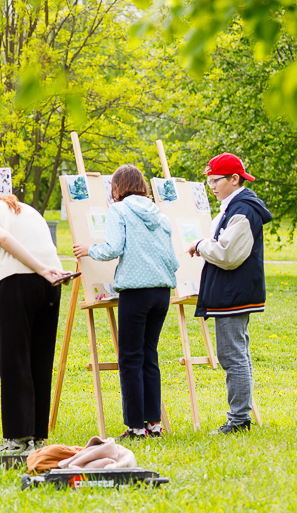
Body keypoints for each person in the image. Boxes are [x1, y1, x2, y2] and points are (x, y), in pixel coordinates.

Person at [74, 165, 179, 440]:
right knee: (149, 356)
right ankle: (153, 424)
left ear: (117, 187)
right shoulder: (160, 214)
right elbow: (174, 259)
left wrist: (89, 250)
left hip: (136, 292)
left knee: (130, 358)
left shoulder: (118, 210)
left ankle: (135, 427)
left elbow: (113, 248)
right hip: (162, 291)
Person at [0, 189, 68, 456]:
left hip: (21, 284)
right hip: (50, 284)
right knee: (40, 359)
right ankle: (36, 435)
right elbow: (17, 254)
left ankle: (17, 438)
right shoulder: (24, 209)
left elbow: (4, 238)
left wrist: (40, 269)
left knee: (14, 359)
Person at [186, 153, 271, 435]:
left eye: (216, 180)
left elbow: (227, 254)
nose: (211, 185)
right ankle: (240, 417)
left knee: (232, 356)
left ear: (234, 179)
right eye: (208, 180)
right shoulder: (233, 206)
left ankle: (238, 420)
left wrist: (200, 245)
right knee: (236, 355)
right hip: (232, 291)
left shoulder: (243, 210)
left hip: (234, 293)